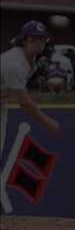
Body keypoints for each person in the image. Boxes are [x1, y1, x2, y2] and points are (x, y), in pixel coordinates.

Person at [1, 21, 61, 212]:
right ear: (25, 40)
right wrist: (47, 122)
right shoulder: (15, 63)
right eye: (35, 39)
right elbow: (24, 103)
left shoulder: (29, 61)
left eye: (42, 39)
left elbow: (15, 92)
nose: (39, 43)